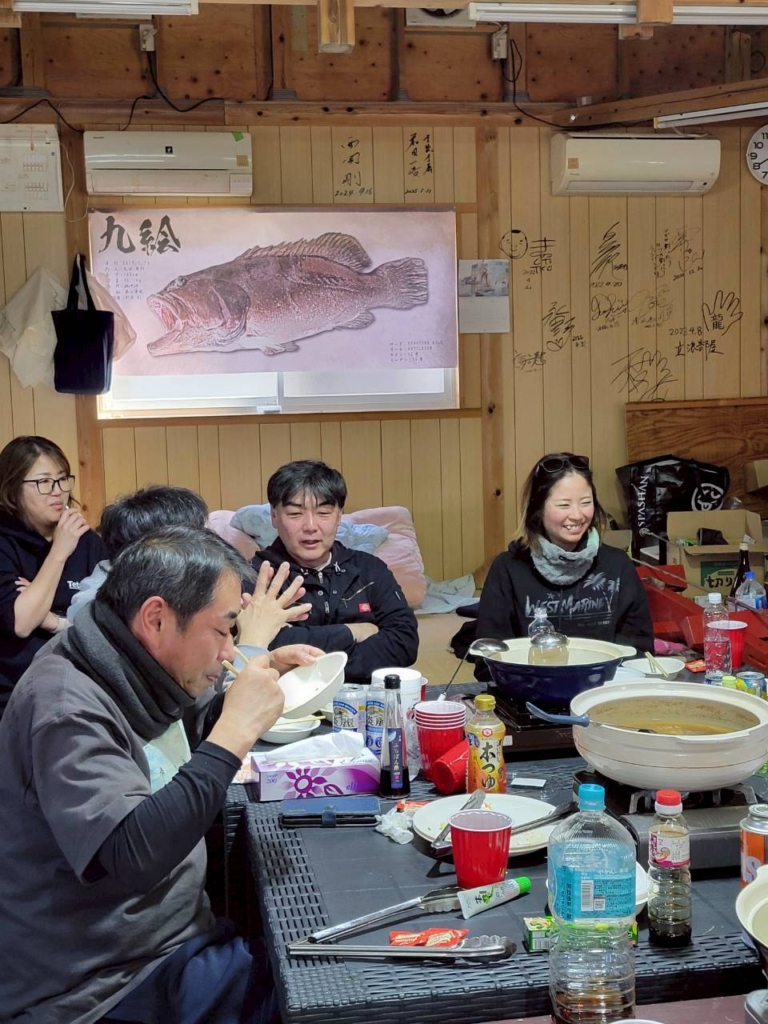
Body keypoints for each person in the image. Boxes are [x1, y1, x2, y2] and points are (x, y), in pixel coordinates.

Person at [0, 525, 322, 1024]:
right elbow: (130, 855)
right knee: (322, 989)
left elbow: (185, 724)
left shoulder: (125, 656)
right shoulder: (66, 707)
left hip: (172, 938)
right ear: (156, 618)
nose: (228, 651)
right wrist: (235, 730)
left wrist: (258, 672)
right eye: (223, 631)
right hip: (103, 984)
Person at [69, 484, 312, 654]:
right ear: (156, 549)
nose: (209, 546)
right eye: (198, 537)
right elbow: (203, 695)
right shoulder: (105, 611)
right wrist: (252, 642)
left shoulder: (170, 586)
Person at [474, 452, 653, 672]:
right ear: (538, 508)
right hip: (528, 686)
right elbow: (488, 658)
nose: (577, 515)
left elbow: (638, 652)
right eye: (564, 505)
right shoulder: (508, 569)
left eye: (585, 503)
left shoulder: (617, 565)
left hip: (604, 686)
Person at [252, 460, 419, 682]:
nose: (311, 526)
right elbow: (260, 647)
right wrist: (353, 632)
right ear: (274, 515)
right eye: (295, 513)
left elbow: (404, 642)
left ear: (339, 516)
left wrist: (310, 665)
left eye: (323, 513)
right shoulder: (256, 575)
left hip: (366, 697)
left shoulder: (369, 569)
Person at [0, 434, 106, 715]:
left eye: (62, 479)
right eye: (44, 482)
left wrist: (52, 621)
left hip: (82, 688)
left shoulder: (87, 542)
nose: (57, 491)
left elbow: (107, 622)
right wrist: (59, 551)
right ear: (12, 489)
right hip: (16, 694)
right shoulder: (5, 542)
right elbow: (22, 622)